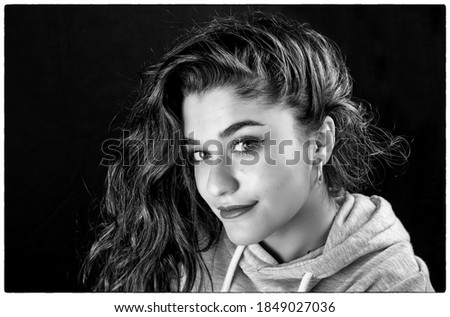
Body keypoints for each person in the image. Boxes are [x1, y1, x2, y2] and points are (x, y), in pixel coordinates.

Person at [82, 12, 434, 292]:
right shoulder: (185, 253)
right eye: (200, 154)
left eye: (245, 144)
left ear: (320, 143)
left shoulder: (392, 288)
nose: (216, 186)